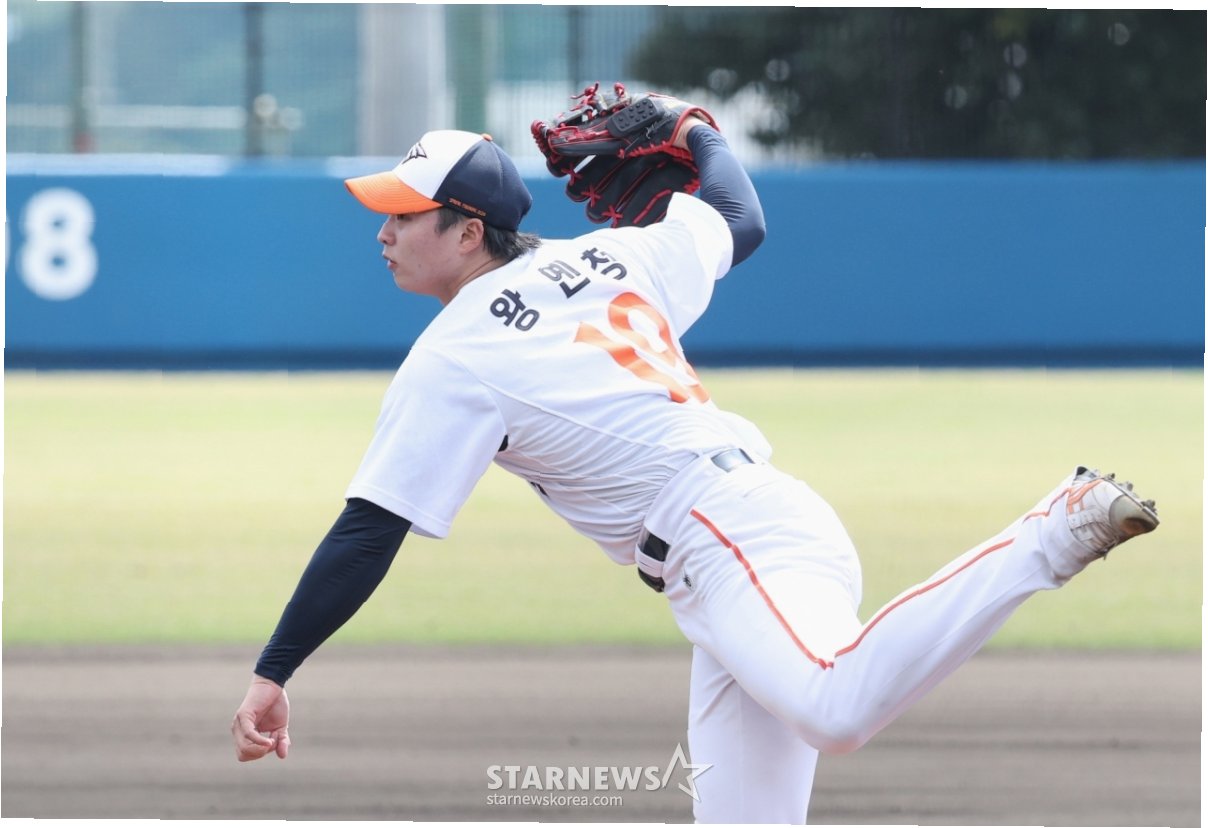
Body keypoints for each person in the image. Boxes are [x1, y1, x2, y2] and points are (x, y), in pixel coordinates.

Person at [230, 111, 1160, 823]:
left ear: (468, 231)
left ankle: (1051, 532)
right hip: (735, 545)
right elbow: (740, 218)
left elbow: (369, 532)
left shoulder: (455, 354)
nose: (383, 232)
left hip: (725, 532)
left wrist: (275, 671)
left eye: (403, 215)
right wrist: (697, 132)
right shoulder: (612, 255)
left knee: (835, 708)